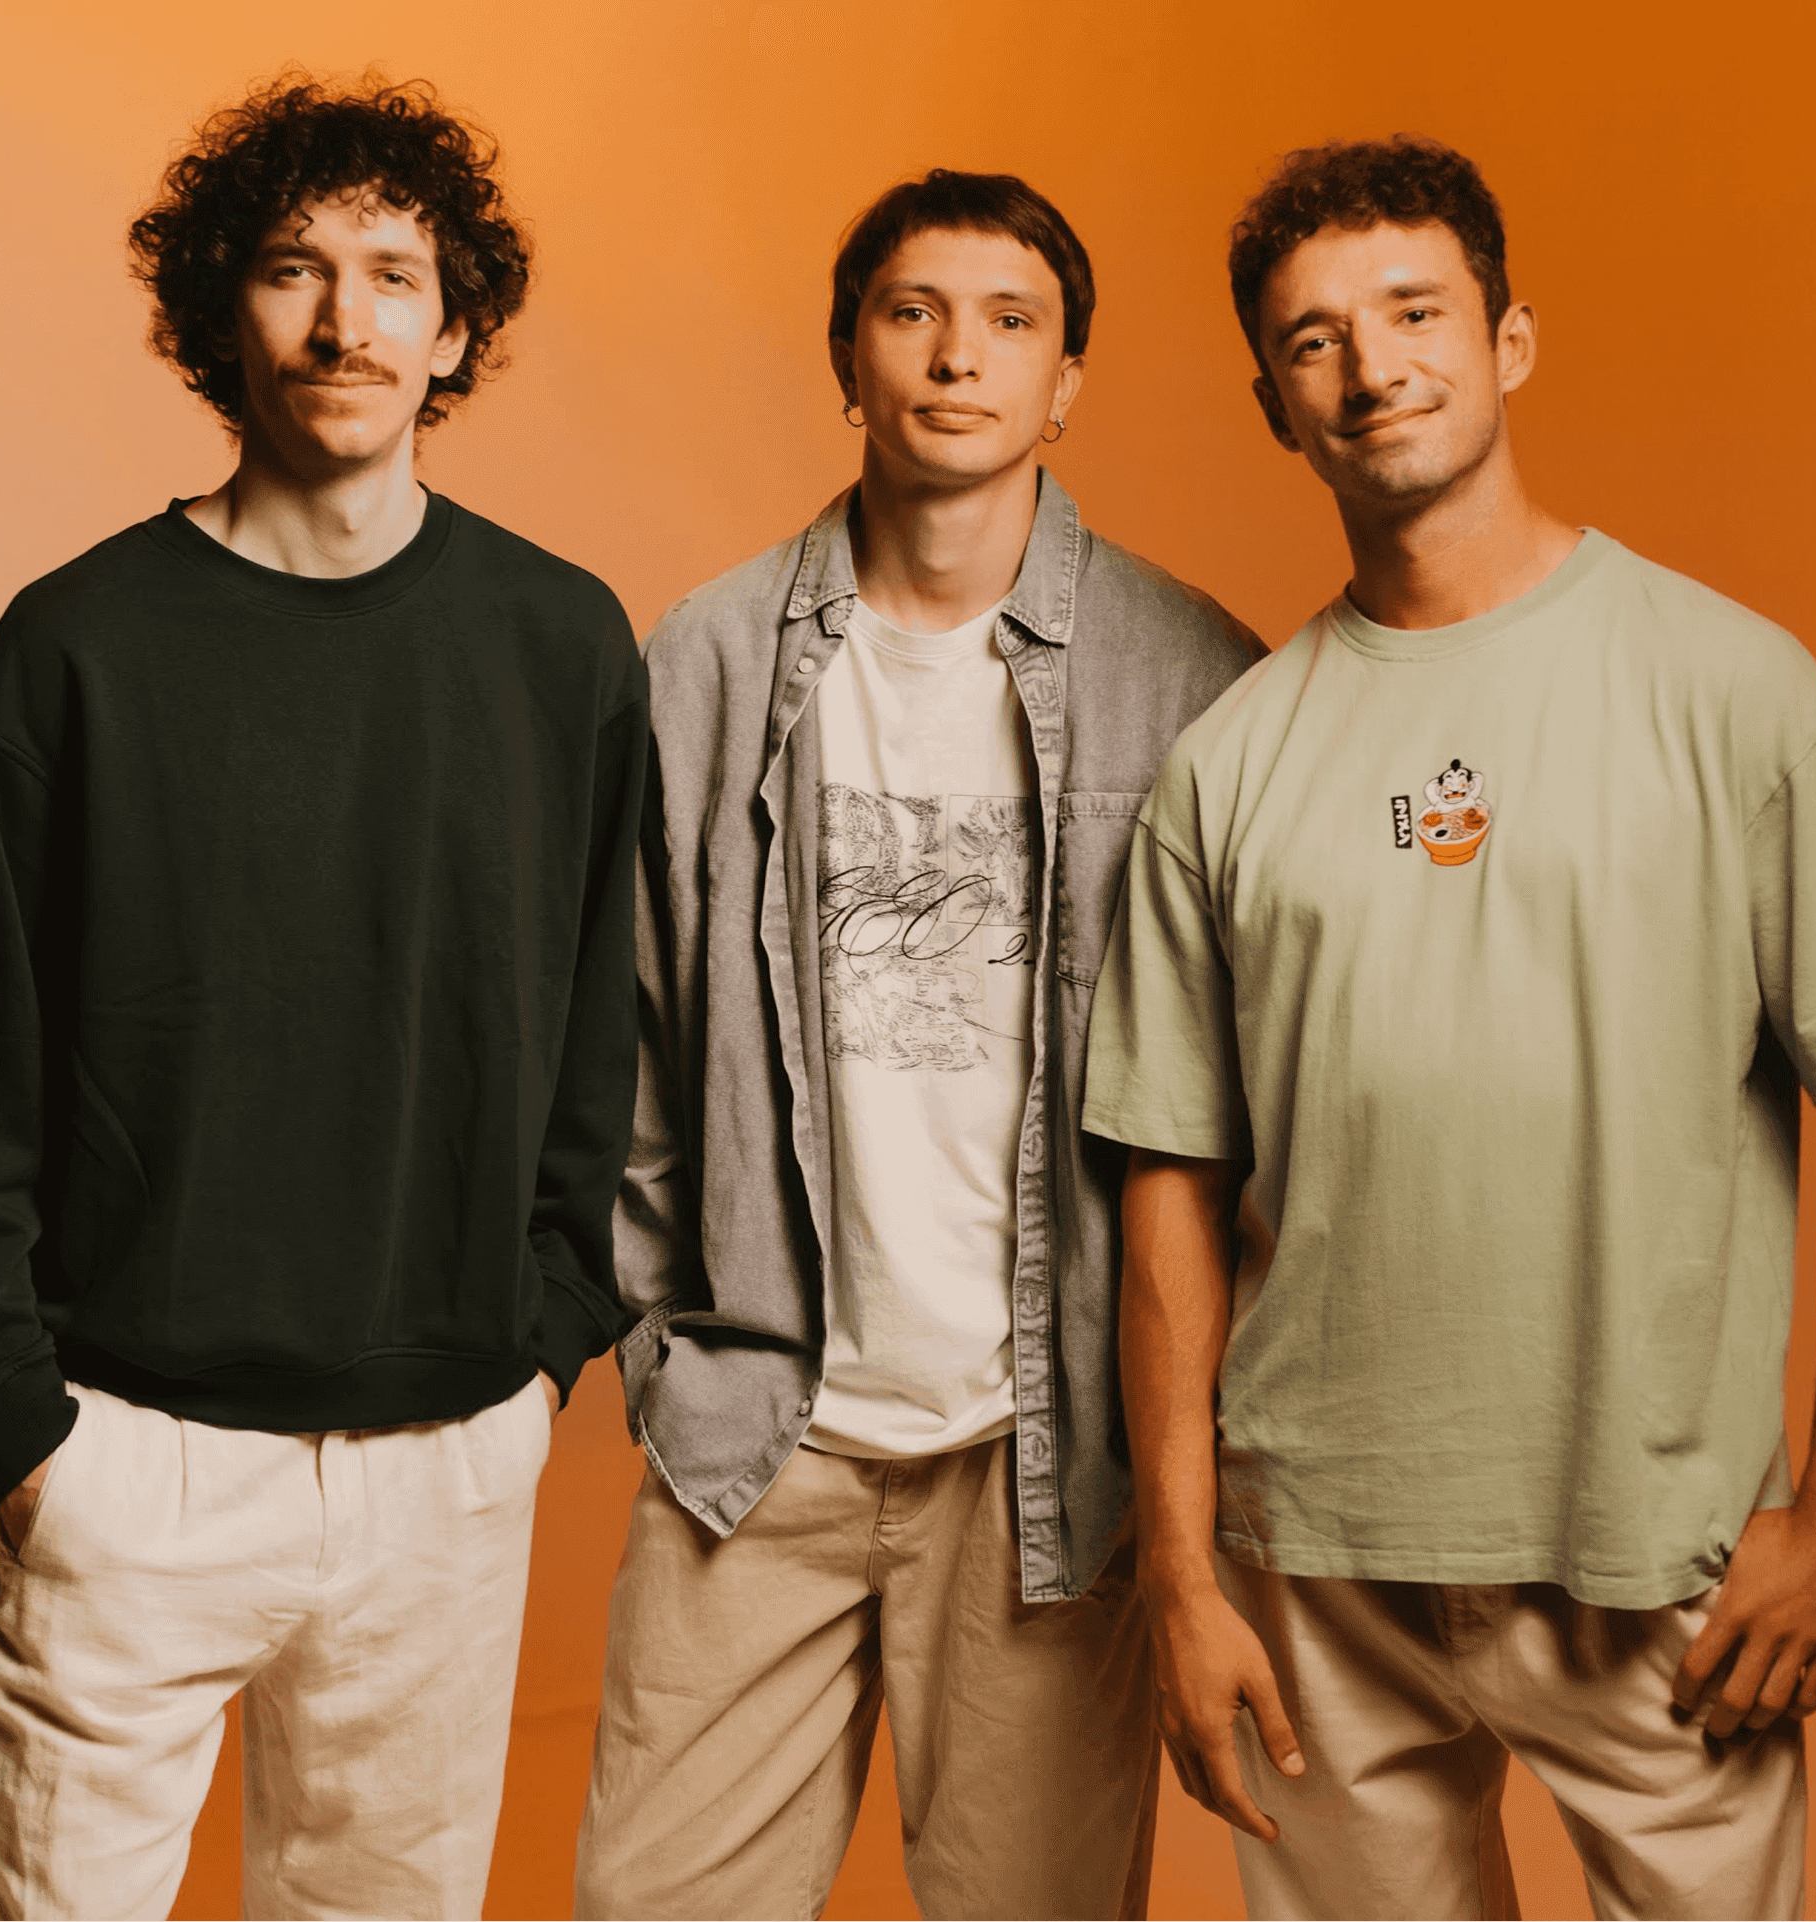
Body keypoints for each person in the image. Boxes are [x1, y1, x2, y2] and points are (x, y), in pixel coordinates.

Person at [1085, 137, 1816, 1921]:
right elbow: (1170, 1181)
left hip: (1659, 1556)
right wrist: (1183, 1571)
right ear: (1273, 404)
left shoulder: (1738, 693)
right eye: (1314, 339)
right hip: (1314, 1565)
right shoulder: (1231, 761)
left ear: (1511, 343)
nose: (1373, 364)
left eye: (1416, 312)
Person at [0, 75, 646, 1921]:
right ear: (224, 306)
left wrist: (540, 1353)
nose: (346, 317)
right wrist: (25, 1428)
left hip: (448, 1465)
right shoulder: (74, 648)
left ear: (457, 326)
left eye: (396, 272)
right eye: (297, 269)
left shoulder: (560, 643)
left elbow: (608, 1034)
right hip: (133, 1461)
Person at [571, 170, 1261, 1921]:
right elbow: (629, 1041)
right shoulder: (710, 656)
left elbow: (1262, 1097)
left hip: (1050, 1464)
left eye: (1010, 322)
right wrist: (662, 1343)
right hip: (759, 1438)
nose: (960, 357)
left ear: (1066, 380)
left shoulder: (1193, 675)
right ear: (849, 355)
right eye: (913, 314)